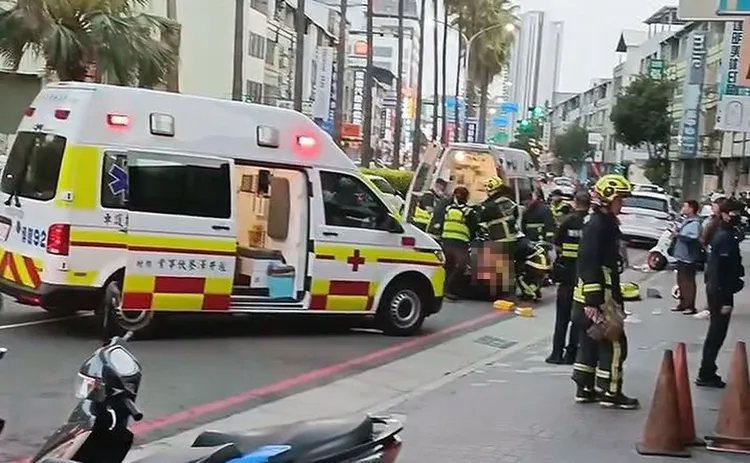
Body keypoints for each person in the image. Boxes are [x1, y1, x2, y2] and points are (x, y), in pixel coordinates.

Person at [571, 174, 639, 410]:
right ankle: (611, 391)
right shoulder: (599, 226)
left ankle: (584, 388)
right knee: (615, 343)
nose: (622, 204)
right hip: (600, 300)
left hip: (588, 298)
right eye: (619, 199)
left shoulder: (599, 223)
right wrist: (594, 301)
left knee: (589, 342)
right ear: (608, 198)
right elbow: (589, 262)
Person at [697, 198, 745, 388]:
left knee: (717, 333)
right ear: (724, 214)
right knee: (716, 334)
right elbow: (720, 270)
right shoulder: (724, 237)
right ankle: (706, 372)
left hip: (718, 289)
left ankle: (707, 370)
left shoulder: (724, 233)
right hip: (720, 291)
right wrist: (725, 299)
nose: (736, 217)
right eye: (733, 213)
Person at [545, 189, 590, 365]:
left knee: (561, 319)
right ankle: (572, 354)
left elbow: (555, 245)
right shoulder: (591, 223)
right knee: (577, 319)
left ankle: (556, 353)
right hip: (583, 277)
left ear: (575, 202)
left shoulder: (567, 221)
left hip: (566, 275)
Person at [441, 186, 479, 301]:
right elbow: (474, 227)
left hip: (446, 241)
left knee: (448, 266)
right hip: (460, 243)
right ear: (467, 198)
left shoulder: (448, 209)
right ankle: (448, 290)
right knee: (461, 267)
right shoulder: (468, 211)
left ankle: (443, 289)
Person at [671, 200, 703, 315]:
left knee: (688, 281)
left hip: (688, 256)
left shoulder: (695, 223)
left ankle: (690, 305)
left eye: (685, 206)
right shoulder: (686, 220)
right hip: (681, 254)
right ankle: (683, 303)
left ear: (691, 209)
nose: (683, 208)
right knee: (681, 280)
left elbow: (693, 237)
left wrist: (679, 235)